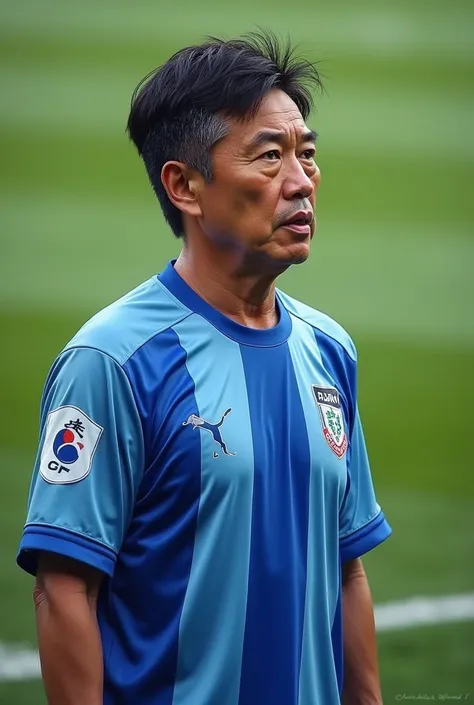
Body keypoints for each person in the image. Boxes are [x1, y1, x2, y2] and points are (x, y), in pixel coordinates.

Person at [17, 31, 391, 705]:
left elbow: (347, 569)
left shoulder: (329, 350)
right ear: (184, 185)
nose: (301, 181)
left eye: (306, 155)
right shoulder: (111, 362)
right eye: (270, 156)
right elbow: (65, 586)